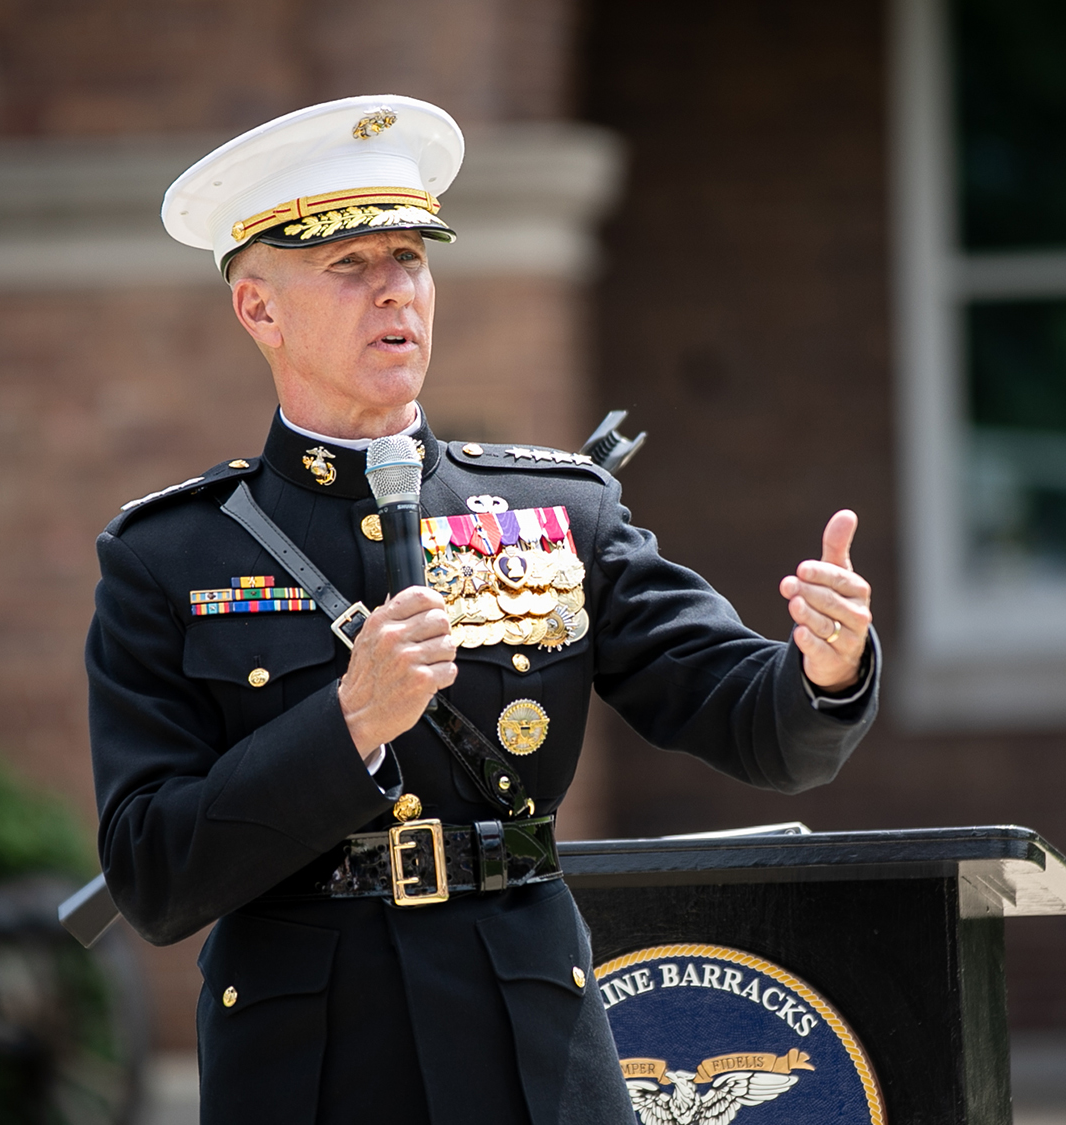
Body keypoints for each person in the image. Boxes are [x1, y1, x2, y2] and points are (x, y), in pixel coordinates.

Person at [85, 95, 880, 1125]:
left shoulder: (556, 510)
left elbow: (749, 719)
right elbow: (151, 874)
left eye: (409, 259)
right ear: (258, 310)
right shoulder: (169, 557)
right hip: (307, 1064)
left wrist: (825, 668)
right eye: (349, 265)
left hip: (525, 1045)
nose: (394, 290)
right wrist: (347, 725)